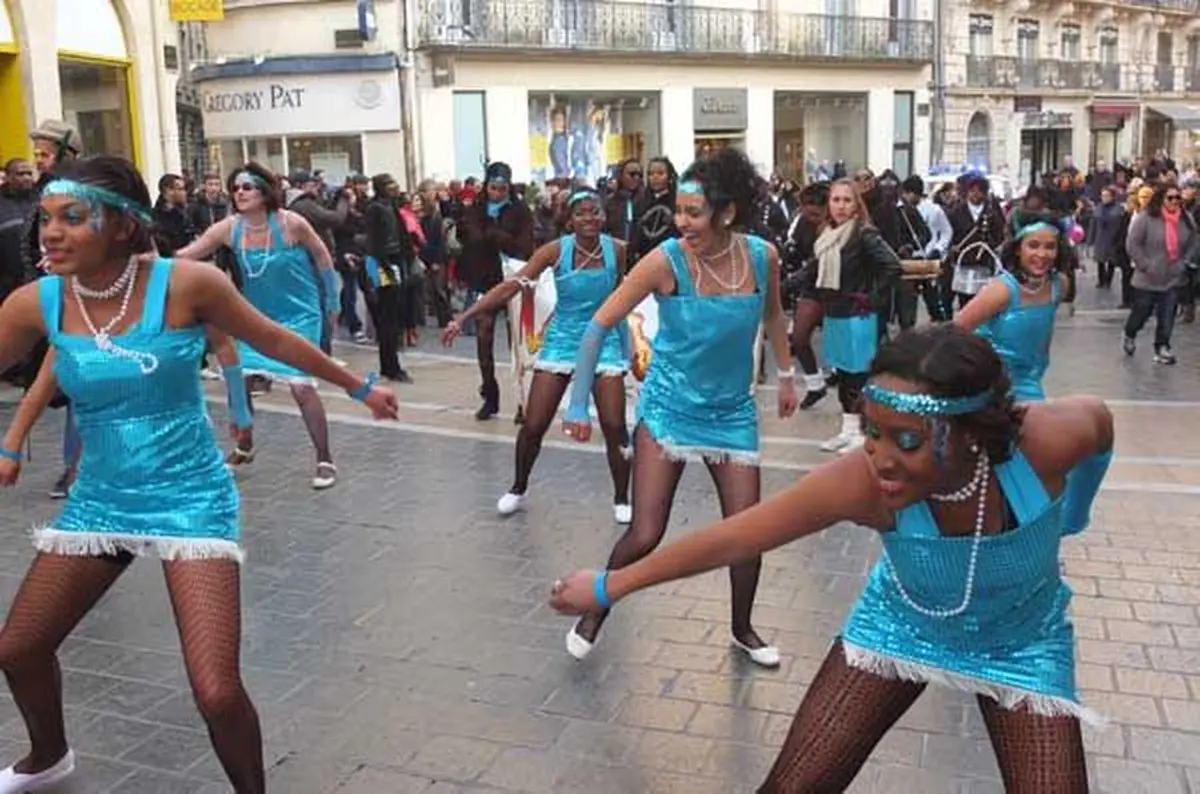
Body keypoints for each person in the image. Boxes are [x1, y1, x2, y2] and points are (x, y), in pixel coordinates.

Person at [551, 324, 1113, 793]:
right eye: (871, 431)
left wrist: (1075, 513)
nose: (881, 458)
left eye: (907, 441)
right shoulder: (861, 483)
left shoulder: (1048, 444)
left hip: (1023, 640)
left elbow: (1100, 421)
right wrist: (608, 587)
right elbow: (737, 538)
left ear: (970, 433)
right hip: (901, 626)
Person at [0, 155, 397, 794]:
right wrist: (14, 443)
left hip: (190, 497)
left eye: (73, 218)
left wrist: (361, 386)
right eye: (47, 218)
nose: (51, 232)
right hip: (101, 500)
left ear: (125, 226)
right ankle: (49, 755)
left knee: (215, 691)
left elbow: (274, 338)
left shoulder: (187, 285)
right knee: (17, 649)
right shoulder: (39, 302)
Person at [560, 148, 799, 665]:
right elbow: (600, 323)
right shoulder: (665, 260)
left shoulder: (763, 257)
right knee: (647, 533)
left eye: (693, 212)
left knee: (747, 532)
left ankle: (743, 629)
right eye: (679, 211)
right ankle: (598, 604)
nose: (681, 221)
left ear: (726, 213)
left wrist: (787, 374)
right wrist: (577, 405)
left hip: (732, 412)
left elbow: (774, 316)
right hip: (668, 407)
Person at [444, 188, 632, 522]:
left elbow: (641, 286)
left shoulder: (618, 250)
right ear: (570, 219)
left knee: (615, 424)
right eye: (582, 213)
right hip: (562, 340)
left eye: (596, 212)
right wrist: (465, 316)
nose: (590, 218)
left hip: (604, 341)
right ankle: (518, 487)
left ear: (604, 216)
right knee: (534, 424)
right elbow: (511, 286)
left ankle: (621, 497)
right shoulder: (554, 251)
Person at [175, 163, 344, 488]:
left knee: (301, 385)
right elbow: (188, 255)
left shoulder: (291, 223)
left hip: (301, 315)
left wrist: (333, 303)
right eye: (235, 188)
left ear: (265, 192)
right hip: (257, 316)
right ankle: (245, 443)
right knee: (239, 377)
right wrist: (143, 259)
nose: (239, 192)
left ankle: (325, 459)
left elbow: (323, 258)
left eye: (247, 187)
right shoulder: (230, 228)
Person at [804, 179, 902, 453]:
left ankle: (861, 431)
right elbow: (813, 270)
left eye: (847, 200)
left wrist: (872, 297)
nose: (840, 206)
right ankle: (847, 430)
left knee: (859, 375)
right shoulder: (829, 234)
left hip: (858, 315)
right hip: (835, 312)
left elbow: (892, 266)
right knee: (844, 374)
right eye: (835, 200)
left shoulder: (864, 233)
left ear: (857, 204)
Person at [955, 213, 1072, 402]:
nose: (1042, 254)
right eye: (1033, 245)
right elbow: (955, 330)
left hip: (1031, 380)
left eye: (1050, 247)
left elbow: (1044, 330)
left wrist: (1039, 366)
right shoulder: (1001, 290)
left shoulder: (1059, 285)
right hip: (991, 386)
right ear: (1018, 249)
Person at [457, 162, 535, 420]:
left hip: (515, 279)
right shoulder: (475, 210)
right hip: (485, 278)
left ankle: (523, 400)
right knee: (484, 335)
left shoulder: (520, 210)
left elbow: (523, 245)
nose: (498, 193)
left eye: (503, 188)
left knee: (518, 342)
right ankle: (489, 394)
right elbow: (470, 239)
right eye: (493, 188)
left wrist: (496, 234)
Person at [1123, 182, 1195, 365]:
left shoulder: (1186, 219)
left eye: (1178, 198)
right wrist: (1145, 264)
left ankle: (1162, 346)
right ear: (1161, 199)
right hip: (1147, 277)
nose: (1174, 202)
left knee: (1167, 314)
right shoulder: (1147, 217)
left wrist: (1184, 263)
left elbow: (1193, 242)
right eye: (1170, 198)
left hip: (1173, 276)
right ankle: (1130, 333)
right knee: (1141, 312)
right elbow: (1133, 243)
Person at [363, 173, 415, 383]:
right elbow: (375, 242)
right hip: (382, 264)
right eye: (389, 183)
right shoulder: (375, 208)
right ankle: (390, 365)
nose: (394, 186)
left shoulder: (391, 206)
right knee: (387, 316)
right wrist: (386, 268)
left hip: (394, 262)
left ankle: (391, 364)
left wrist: (408, 257)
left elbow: (402, 236)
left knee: (394, 314)